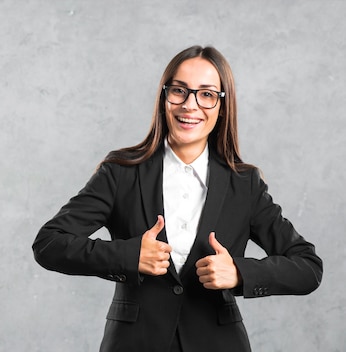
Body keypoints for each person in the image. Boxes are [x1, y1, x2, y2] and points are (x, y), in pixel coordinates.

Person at [32, 45, 322, 352]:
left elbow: (308, 267)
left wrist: (239, 272)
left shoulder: (244, 184)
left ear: (222, 106)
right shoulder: (121, 172)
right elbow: (49, 243)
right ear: (164, 97)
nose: (190, 105)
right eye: (179, 91)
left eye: (206, 94)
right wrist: (130, 256)